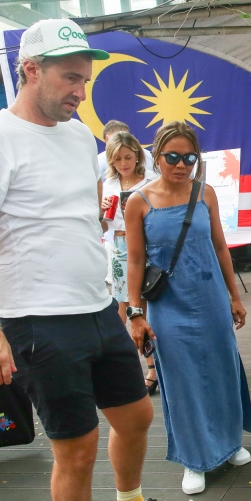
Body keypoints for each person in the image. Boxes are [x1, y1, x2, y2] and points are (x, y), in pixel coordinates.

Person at [0, 18, 190, 501]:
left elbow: (84, 227)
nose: (81, 91)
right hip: (36, 319)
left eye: (84, 79)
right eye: (70, 79)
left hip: (98, 308)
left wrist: (126, 307)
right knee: (75, 448)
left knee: (136, 418)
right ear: (30, 71)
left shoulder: (82, 137)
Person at [124, 121, 251, 496]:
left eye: (190, 158)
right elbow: (134, 261)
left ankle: (229, 442)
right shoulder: (139, 201)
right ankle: (193, 458)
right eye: (173, 157)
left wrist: (234, 295)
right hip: (167, 305)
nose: (181, 165)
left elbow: (220, 247)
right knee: (180, 380)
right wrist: (135, 313)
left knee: (222, 368)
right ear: (158, 156)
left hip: (211, 298)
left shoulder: (205, 193)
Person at [101, 131, 158, 393]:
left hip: (145, 248)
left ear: (137, 155)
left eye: (127, 157)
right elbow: (103, 225)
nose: (123, 163)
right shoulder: (108, 184)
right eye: (117, 159)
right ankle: (138, 367)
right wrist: (100, 211)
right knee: (124, 312)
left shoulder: (151, 182)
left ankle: (154, 367)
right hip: (118, 248)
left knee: (143, 308)